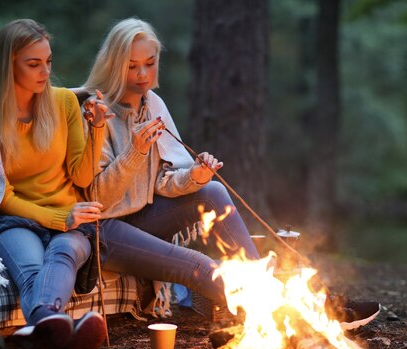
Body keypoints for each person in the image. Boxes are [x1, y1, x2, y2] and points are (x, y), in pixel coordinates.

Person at [79, 17, 381, 330]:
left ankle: (300, 302)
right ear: (114, 65)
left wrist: (195, 176)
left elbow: (164, 182)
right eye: (132, 66)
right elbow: (99, 198)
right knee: (200, 265)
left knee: (213, 192)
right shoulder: (96, 111)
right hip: (106, 230)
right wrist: (135, 153)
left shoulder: (153, 104)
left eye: (150, 63)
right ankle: (301, 314)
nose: (142, 74)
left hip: (144, 219)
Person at [0, 19, 112, 349]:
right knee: (31, 264)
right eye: (33, 64)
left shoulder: (63, 103)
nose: (45, 71)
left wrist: (97, 127)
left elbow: (82, 174)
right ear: (9, 65)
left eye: (48, 62)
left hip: (71, 219)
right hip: (16, 219)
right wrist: (53, 218)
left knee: (64, 252)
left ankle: (46, 330)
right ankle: (65, 339)